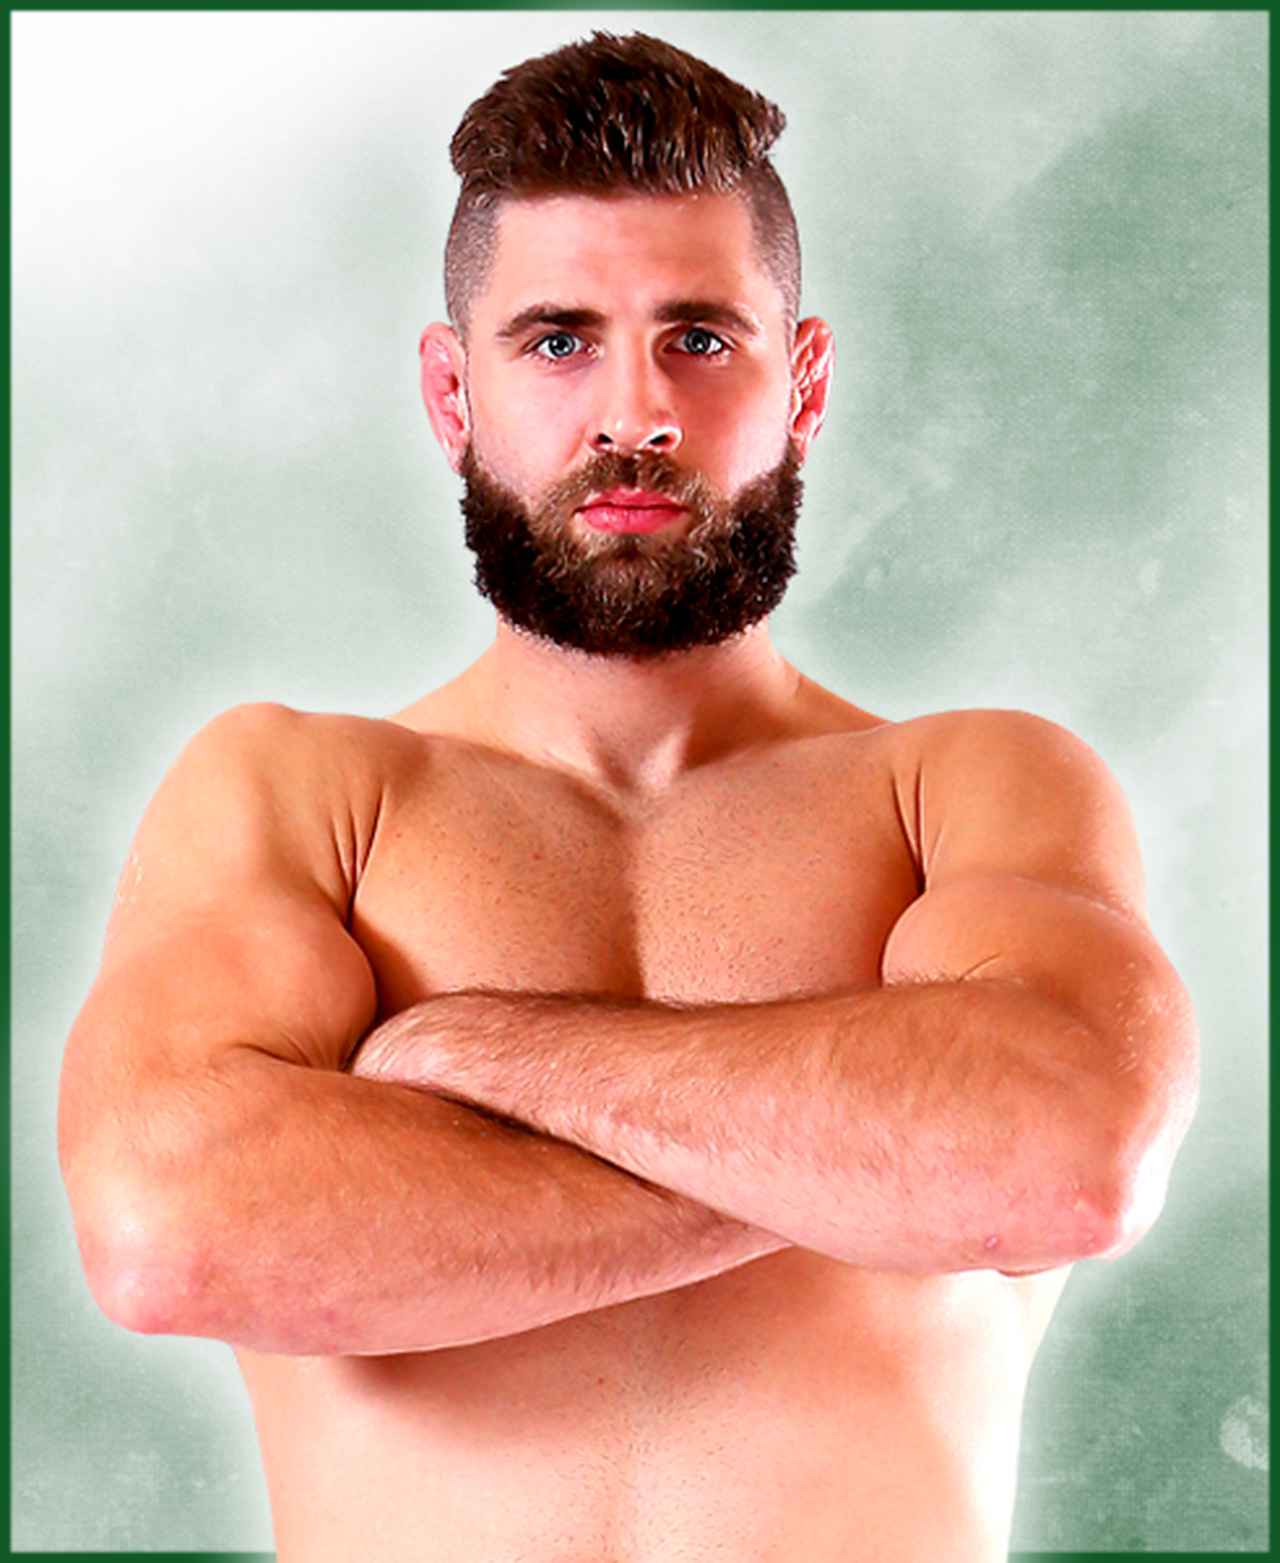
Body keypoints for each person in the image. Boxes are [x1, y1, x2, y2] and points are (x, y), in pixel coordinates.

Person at [58, 31, 1199, 1563]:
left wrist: (477, 1051)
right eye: (556, 341)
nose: (635, 414)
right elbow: (169, 1229)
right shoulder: (302, 794)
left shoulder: (969, 788)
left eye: (700, 338)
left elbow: (1065, 1155)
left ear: (803, 382)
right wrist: (871, 1167)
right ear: (450, 393)